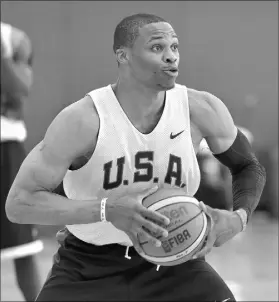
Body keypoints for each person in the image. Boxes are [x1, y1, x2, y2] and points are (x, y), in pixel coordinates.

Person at [5, 14, 266, 301]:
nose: (170, 57)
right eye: (157, 48)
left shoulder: (201, 109)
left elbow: (248, 166)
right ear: (123, 55)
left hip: (175, 260)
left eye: (175, 47)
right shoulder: (83, 121)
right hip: (89, 266)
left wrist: (238, 218)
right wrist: (107, 210)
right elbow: (19, 203)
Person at [1, 22, 43, 301]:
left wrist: (2, 56)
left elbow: (19, 90)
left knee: (22, 246)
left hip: (5, 147)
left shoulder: (13, 38)